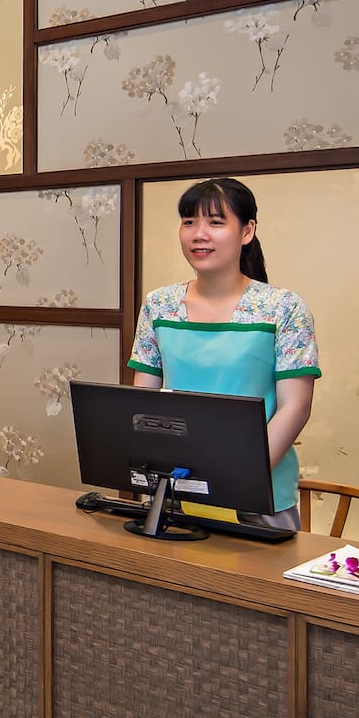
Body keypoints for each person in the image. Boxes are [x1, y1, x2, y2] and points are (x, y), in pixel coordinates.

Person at [127, 177, 319, 530]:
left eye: (215, 222)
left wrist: (238, 478)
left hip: (259, 496)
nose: (199, 234)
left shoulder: (283, 307)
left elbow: (296, 406)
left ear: (247, 231)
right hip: (175, 492)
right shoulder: (159, 305)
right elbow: (144, 401)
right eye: (189, 222)